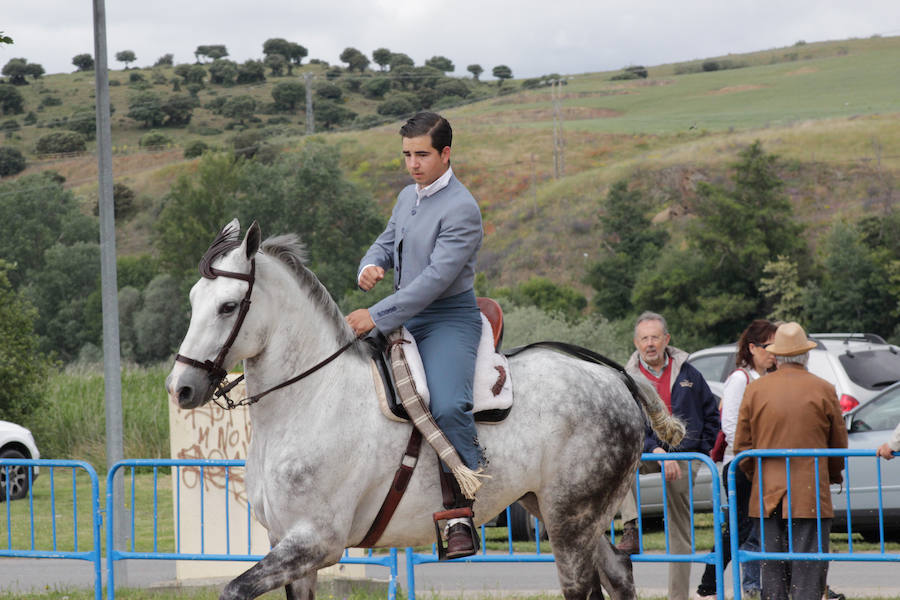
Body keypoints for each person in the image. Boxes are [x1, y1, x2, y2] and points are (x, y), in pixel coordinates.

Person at [346, 111, 484, 559]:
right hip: (405, 313)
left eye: (421, 154)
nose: (412, 164)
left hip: (447, 318)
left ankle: (461, 514)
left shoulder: (463, 208)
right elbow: (388, 240)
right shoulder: (408, 196)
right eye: (407, 155)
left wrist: (377, 314)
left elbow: (434, 281)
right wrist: (372, 263)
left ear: (446, 153)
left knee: (447, 403)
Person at [734, 322, 848, 600]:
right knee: (809, 568)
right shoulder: (824, 388)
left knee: (772, 569)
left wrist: (757, 475)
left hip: (766, 494)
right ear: (805, 355)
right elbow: (838, 444)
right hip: (810, 493)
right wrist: (831, 475)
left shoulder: (756, 389)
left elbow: (742, 447)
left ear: (777, 355)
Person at [615, 311, 720, 600]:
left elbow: (712, 417)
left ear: (667, 339)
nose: (650, 343)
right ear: (636, 342)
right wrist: (656, 451)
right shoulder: (627, 379)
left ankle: (678, 597)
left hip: (684, 460)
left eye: (655, 337)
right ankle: (632, 527)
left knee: (680, 533)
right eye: (645, 338)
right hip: (648, 453)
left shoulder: (689, 373)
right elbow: (628, 423)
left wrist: (697, 454)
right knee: (617, 465)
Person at [695, 319, 777, 600]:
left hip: (763, 464)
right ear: (752, 347)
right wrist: (752, 453)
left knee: (755, 527)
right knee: (740, 528)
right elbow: (729, 425)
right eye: (769, 346)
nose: (774, 352)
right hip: (740, 463)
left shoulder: (769, 378)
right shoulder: (740, 379)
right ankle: (709, 584)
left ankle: (747, 586)